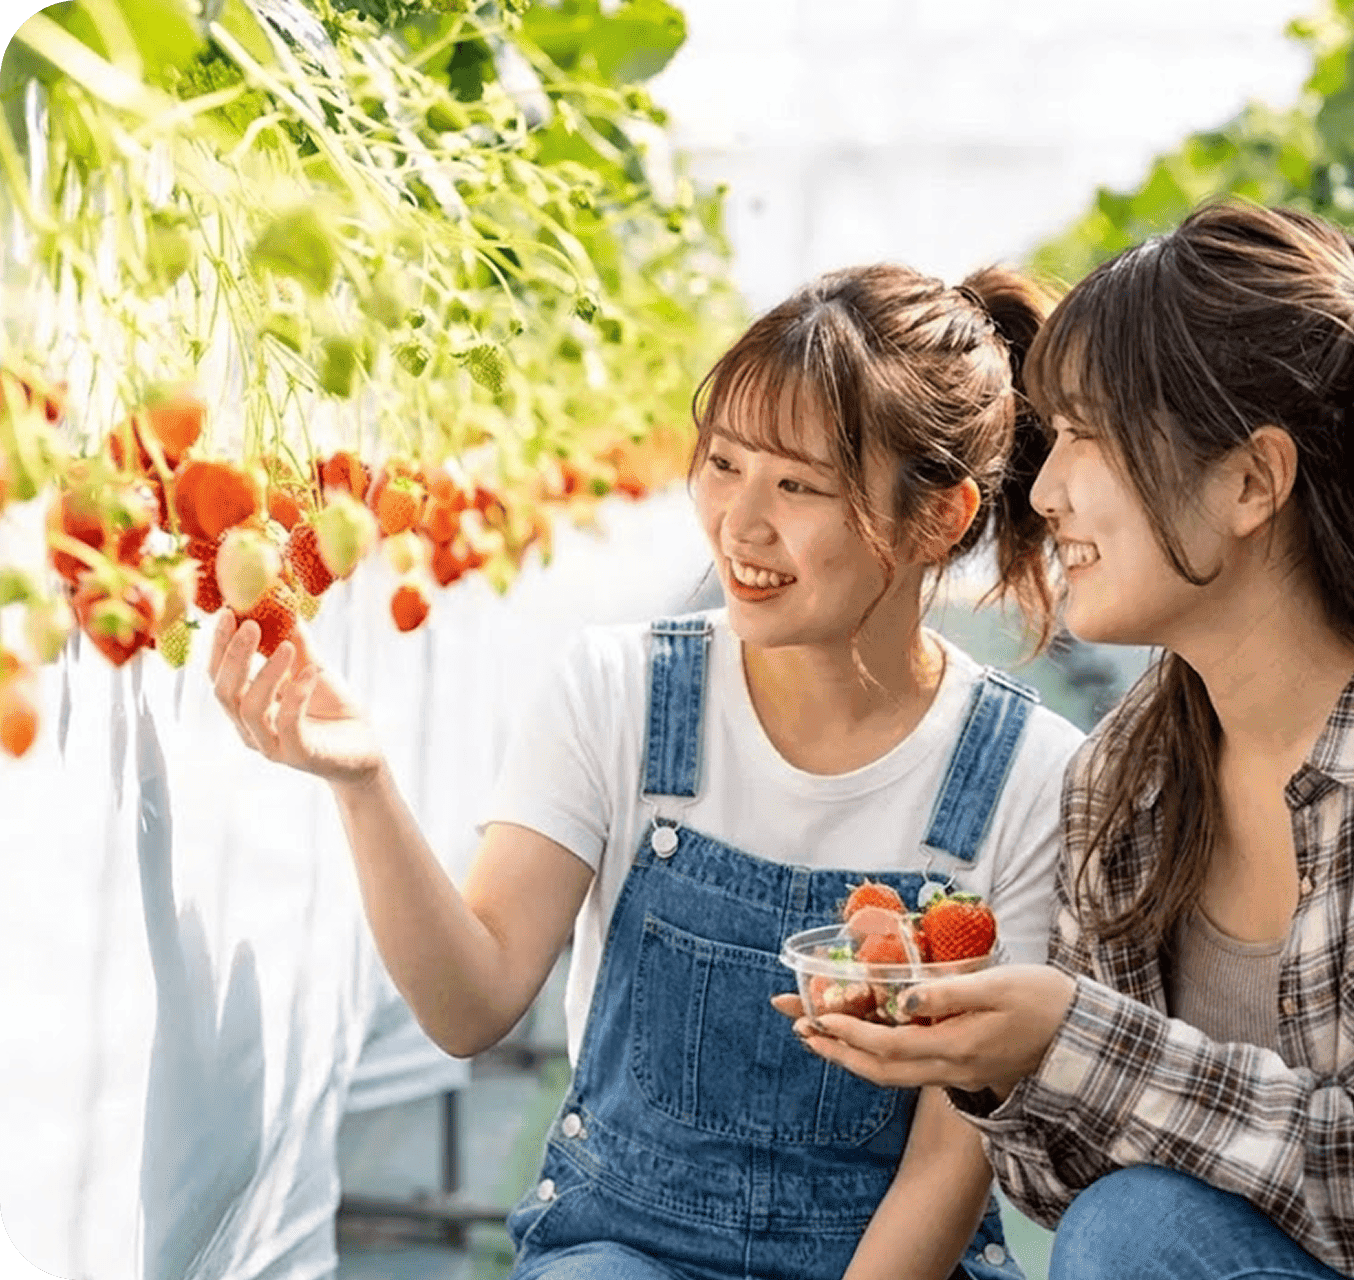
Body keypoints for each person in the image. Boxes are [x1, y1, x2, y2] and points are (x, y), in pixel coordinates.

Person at [782, 201, 1354, 1280]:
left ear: (1252, 481)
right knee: (1123, 1223)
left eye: (1087, 434)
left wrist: (1077, 1037)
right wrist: (1001, 1065)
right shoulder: (1128, 777)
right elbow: (1066, 1187)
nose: (1043, 489)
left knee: (1137, 1234)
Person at [206, 261, 1088, 1280]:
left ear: (939, 515)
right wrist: (364, 784)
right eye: (723, 462)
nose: (739, 524)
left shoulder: (1028, 772)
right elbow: (471, 1002)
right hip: (626, 1248)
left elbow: (944, 1170)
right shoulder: (621, 691)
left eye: (798, 484)